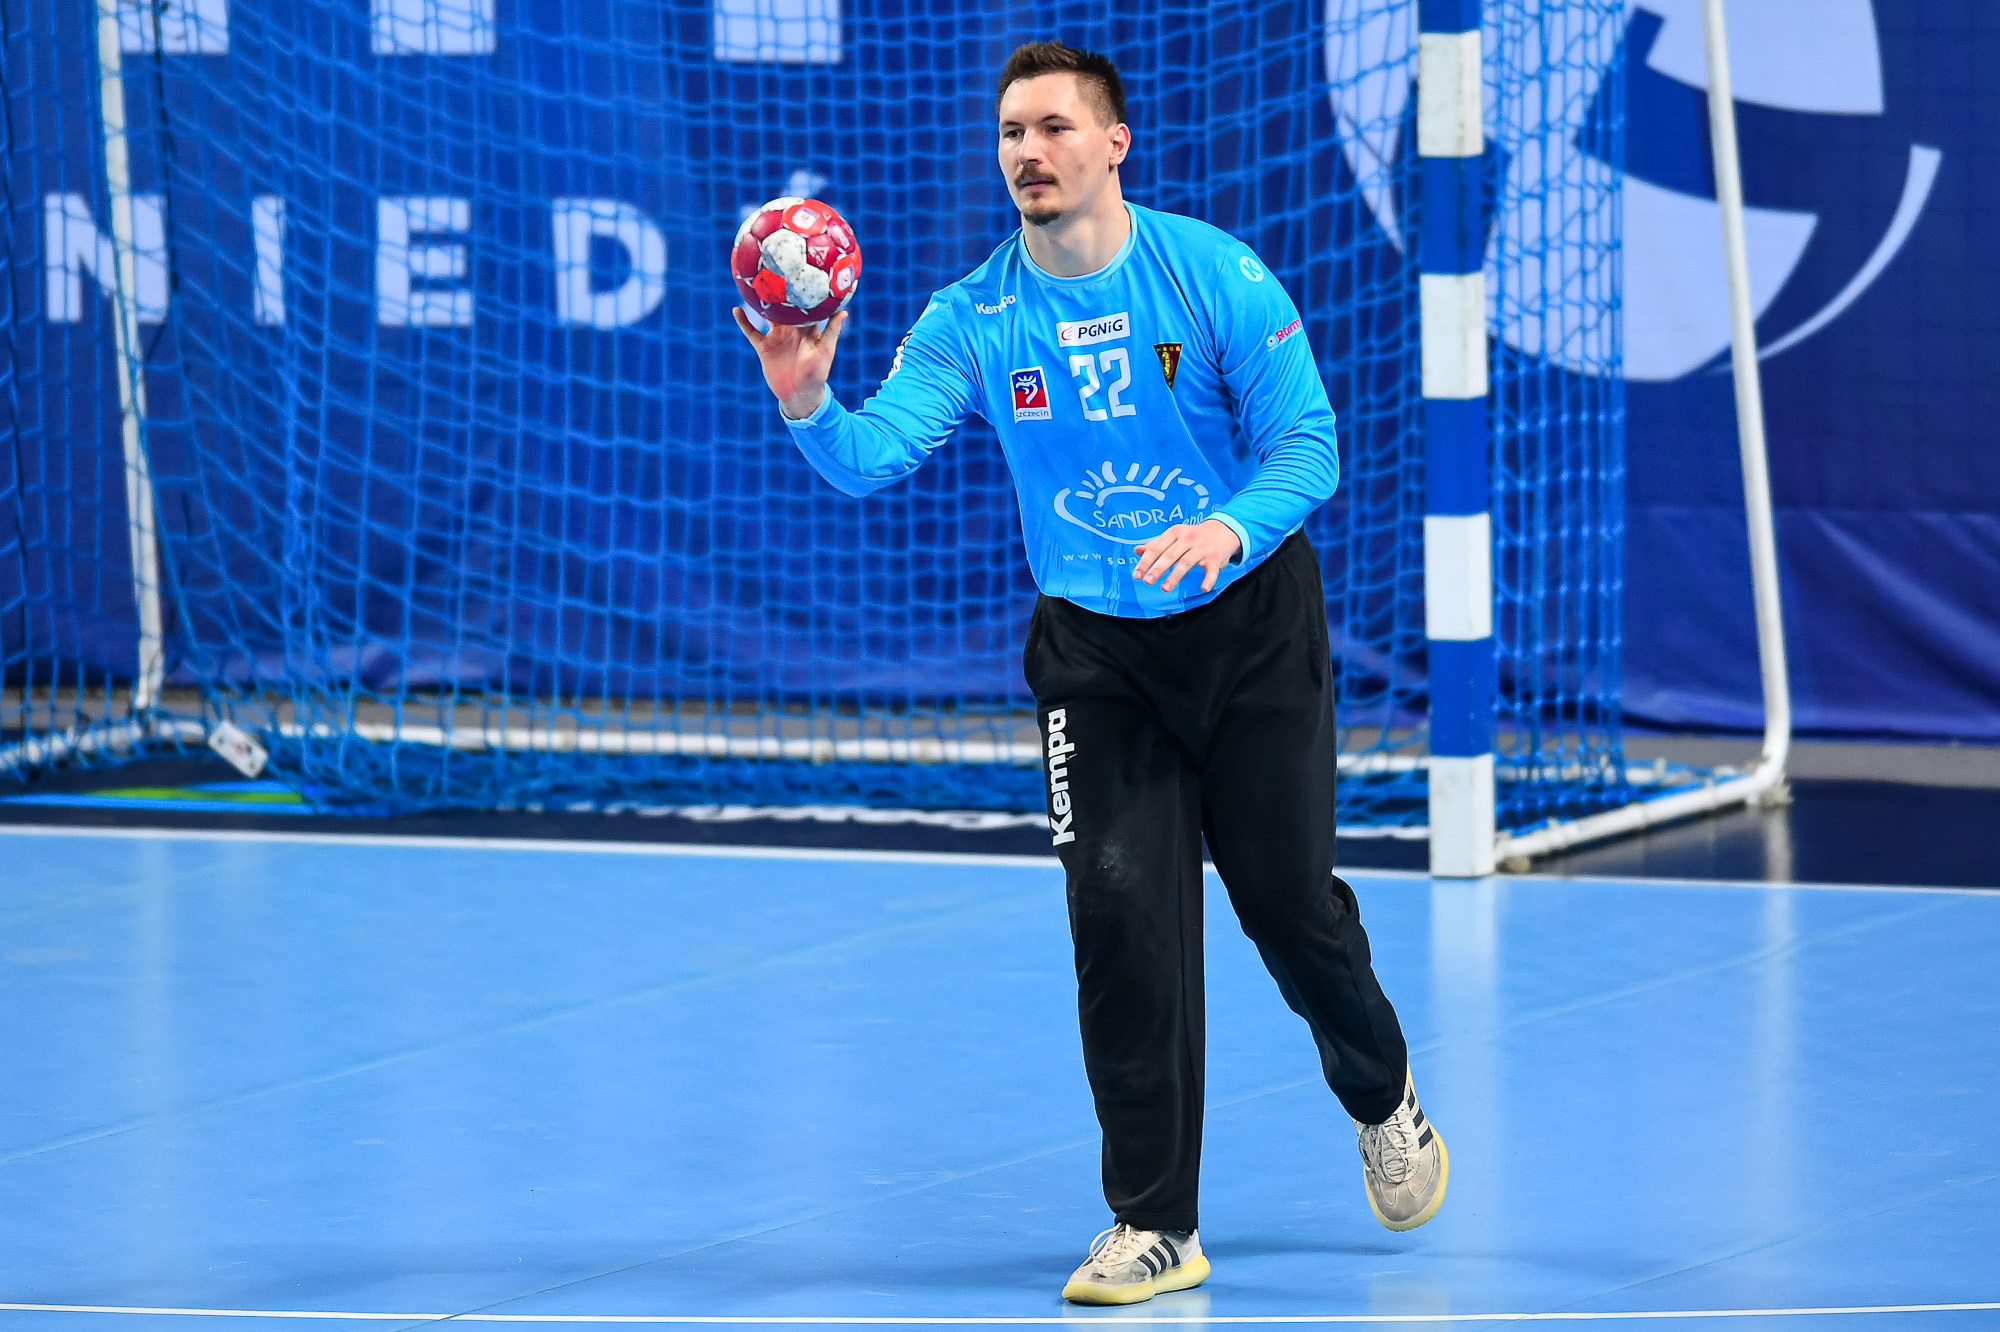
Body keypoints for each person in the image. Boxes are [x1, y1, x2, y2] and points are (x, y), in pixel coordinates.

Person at [733, 39, 1446, 1307]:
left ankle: (1380, 1094)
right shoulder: (973, 315)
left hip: (1246, 627)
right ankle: (1153, 1221)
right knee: (1119, 921)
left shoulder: (1211, 274)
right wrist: (805, 403)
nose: (1028, 151)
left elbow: (1308, 446)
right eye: (1011, 131)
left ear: (1114, 143)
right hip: (1095, 652)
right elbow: (870, 457)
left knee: (1286, 906)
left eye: (1054, 127)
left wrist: (1225, 527)